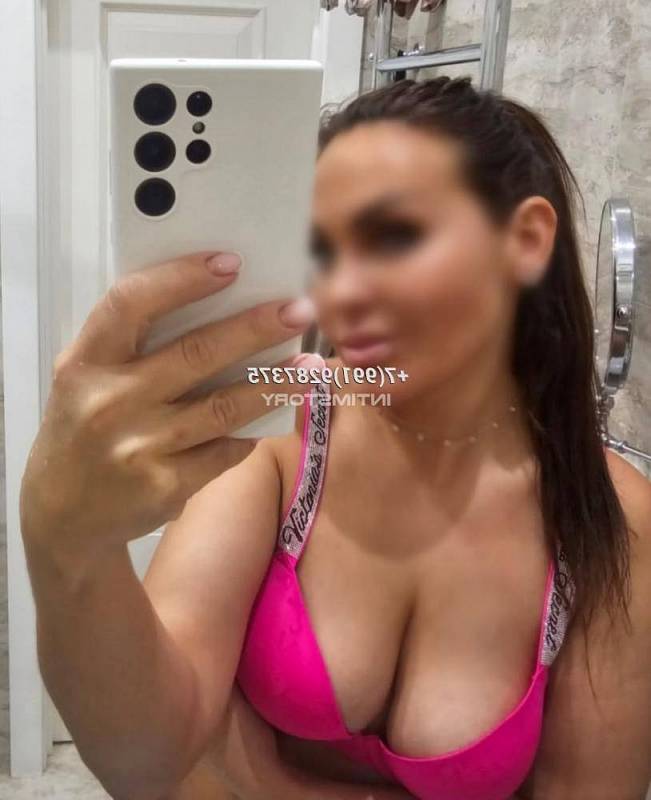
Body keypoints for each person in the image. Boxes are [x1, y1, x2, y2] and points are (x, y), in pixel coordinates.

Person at [20, 76, 651, 800]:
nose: (340, 294)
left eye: (395, 237)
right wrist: (70, 548)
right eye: (321, 251)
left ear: (525, 240)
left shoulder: (606, 516)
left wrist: (275, 784)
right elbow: (145, 759)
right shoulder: (278, 430)